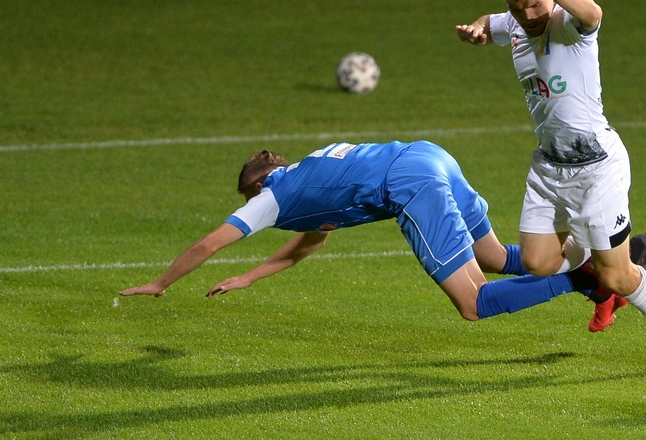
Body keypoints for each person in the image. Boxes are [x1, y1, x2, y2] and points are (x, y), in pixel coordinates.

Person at [455, 0, 646, 357]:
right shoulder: (515, 24)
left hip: (597, 167)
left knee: (618, 278)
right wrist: (478, 28)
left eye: (534, 2)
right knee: (538, 262)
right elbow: (493, 22)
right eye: (518, 7)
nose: (528, 14)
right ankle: (602, 262)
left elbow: (592, 11)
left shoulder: (569, 26)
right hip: (550, 167)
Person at [119, 140, 617, 324]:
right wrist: (250, 277)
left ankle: (588, 279)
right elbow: (312, 241)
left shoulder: (270, 197)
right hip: (431, 155)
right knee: (489, 256)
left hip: (410, 182)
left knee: (474, 303)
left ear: (252, 189)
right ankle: (603, 254)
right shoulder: (308, 174)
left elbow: (209, 242)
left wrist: (160, 283)